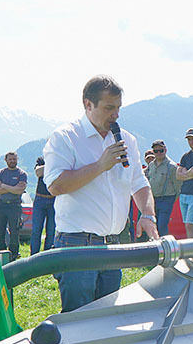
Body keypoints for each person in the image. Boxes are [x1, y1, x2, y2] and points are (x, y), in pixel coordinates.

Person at [44, 75, 159, 312]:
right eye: (109, 108)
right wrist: (100, 166)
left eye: (118, 108)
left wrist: (147, 215)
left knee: (107, 319)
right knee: (78, 319)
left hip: (112, 246)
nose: (115, 115)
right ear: (88, 104)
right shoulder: (65, 137)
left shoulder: (127, 139)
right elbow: (55, 185)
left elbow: (139, 183)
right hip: (76, 245)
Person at [0, 151, 28, 259]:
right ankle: (2, 252)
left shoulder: (22, 174)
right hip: (1, 205)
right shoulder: (1, 173)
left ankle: (14, 254)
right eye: (10, 159)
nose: (12, 161)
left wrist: (3, 185)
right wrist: (12, 188)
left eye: (14, 159)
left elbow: (19, 190)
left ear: (17, 160)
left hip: (14, 206)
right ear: (6, 160)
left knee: (14, 231)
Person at [146, 139, 181, 236]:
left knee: (162, 226)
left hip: (167, 198)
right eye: (156, 151)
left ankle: (164, 245)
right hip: (153, 199)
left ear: (165, 150)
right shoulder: (151, 165)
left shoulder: (172, 166)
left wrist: (172, 199)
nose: (158, 153)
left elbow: (178, 186)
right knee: (154, 225)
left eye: (161, 150)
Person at [30, 156, 56, 255]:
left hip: (54, 199)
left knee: (51, 232)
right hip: (40, 199)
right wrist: (54, 164)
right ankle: (33, 257)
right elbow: (38, 172)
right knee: (36, 231)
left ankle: (47, 257)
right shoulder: (41, 159)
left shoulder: (59, 159)